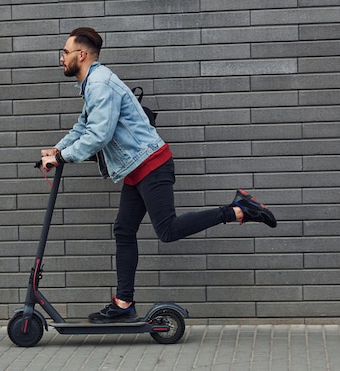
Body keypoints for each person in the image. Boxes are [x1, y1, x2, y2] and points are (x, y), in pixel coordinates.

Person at [41, 27, 277, 324]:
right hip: (135, 168)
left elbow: (99, 134)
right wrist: (56, 149)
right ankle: (123, 304)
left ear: (82, 54)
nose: (61, 58)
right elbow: (83, 126)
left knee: (167, 230)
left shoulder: (99, 84)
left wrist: (63, 157)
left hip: (151, 164)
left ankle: (238, 209)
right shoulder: (92, 85)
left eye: (64, 52)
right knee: (124, 230)